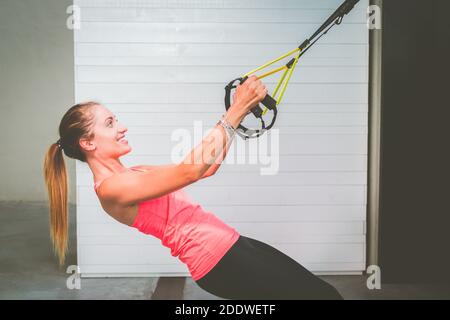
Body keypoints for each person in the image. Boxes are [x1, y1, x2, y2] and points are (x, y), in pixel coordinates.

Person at [43, 76, 343, 300]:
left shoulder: (137, 172)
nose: (122, 127)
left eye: (116, 119)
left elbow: (206, 167)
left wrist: (235, 117)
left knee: (322, 294)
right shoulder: (111, 189)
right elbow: (191, 169)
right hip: (220, 261)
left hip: (232, 245)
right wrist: (236, 110)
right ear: (88, 142)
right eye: (110, 123)